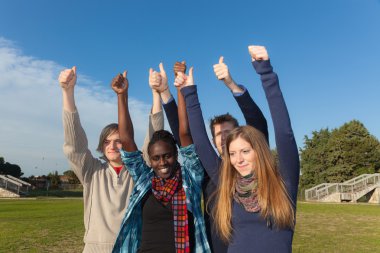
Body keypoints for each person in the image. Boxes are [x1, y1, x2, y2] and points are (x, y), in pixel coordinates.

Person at [181, 45, 300, 252]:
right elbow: (201, 143)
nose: (238, 159)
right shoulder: (229, 183)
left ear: (259, 151)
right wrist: (189, 93)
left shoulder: (283, 182)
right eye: (232, 154)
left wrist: (266, 72)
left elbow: (285, 133)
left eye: (245, 151)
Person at [152, 58, 268, 252]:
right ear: (213, 142)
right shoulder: (208, 168)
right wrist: (167, 93)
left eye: (228, 133)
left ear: (239, 134)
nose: (223, 138)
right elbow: (185, 135)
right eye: (218, 135)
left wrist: (232, 85)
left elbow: (258, 124)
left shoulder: (252, 165)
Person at [58, 67, 164, 252]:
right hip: (95, 247)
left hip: (132, 246)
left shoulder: (139, 171)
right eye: (107, 142)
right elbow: (74, 143)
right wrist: (67, 92)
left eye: (118, 141)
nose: (112, 146)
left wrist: (156, 94)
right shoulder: (91, 170)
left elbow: (153, 138)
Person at [111, 68, 211, 253]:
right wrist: (122, 95)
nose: (162, 162)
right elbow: (126, 140)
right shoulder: (145, 180)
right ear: (150, 159)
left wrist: (181, 89)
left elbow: (184, 133)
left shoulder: (190, 178)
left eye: (167, 155)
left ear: (176, 153)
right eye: (156, 158)